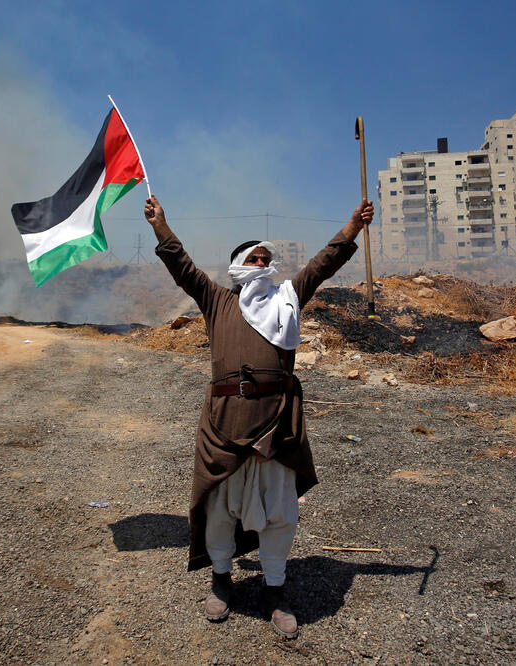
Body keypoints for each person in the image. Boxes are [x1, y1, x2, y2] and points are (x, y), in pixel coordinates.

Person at [143, 194, 373, 639]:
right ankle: (221, 581)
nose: (264, 262)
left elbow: (323, 265)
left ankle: (274, 590)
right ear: (238, 266)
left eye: (268, 258)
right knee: (220, 509)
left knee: (280, 512)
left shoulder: (288, 298)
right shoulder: (216, 300)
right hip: (224, 422)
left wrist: (351, 229)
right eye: (255, 257)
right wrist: (160, 226)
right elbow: (181, 266)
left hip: (275, 424)